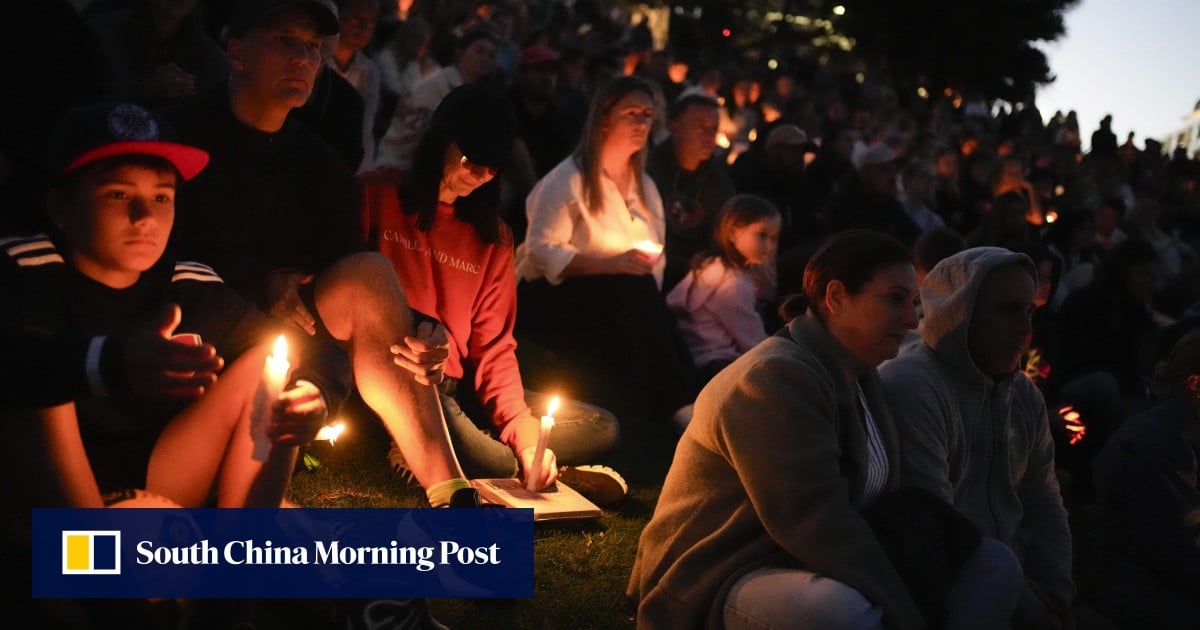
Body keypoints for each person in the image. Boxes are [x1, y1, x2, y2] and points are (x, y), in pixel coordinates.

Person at [0, 101, 351, 627]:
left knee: (272, 369)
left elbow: (315, 351)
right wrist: (111, 362)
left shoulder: (187, 283)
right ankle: (106, 591)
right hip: (39, 511)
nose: (145, 218)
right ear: (61, 207)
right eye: (118, 194)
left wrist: (317, 394)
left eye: (161, 197)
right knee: (35, 389)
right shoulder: (23, 269)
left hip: (155, 487)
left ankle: (233, 597)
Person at [163, 0, 476, 512]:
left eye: (312, 47)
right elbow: (165, 256)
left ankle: (452, 493)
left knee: (372, 272)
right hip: (197, 328)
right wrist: (262, 280)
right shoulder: (180, 137)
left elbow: (352, 271)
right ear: (237, 53)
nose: (303, 59)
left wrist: (420, 326)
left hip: (289, 337)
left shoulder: (320, 166)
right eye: (285, 41)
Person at [630, 230, 1023, 630]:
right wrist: (907, 611)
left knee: (996, 566)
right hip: (727, 568)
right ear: (836, 298)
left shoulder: (861, 377)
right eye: (895, 299)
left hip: (808, 563)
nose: (911, 319)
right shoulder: (773, 379)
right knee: (841, 614)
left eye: (915, 303)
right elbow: (816, 523)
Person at [359, 83, 624, 503]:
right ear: (439, 140)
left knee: (602, 425)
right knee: (479, 450)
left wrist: (524, 433)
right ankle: (509, 462)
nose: (480, 175)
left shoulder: (494, 239)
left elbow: (495, 349)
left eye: (492, 168)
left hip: (455, 391)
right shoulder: (376, 195)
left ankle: (529, 460)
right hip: (395, 380)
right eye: (470, 161)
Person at [879, 247, 1077, 629]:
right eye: (1007, 310)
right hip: (950, 588)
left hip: (1024, 584)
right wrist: (1034, 609)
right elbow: (942, 526)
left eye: (1029, 311)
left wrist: (1058, 589)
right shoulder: (913, 388)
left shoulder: (1023, 395)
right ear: (961, 311)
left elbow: (1045, 500)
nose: (1025, 327)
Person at [515, 75, 698, 423]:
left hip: (620, 299)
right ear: (603, 118)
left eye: (647, 114)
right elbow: (540, 251)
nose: (642, 123)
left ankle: (698, 399)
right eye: (631, 113)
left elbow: (656, 254)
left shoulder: (645, 187)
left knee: (652, 304)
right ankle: (676, 405)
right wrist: (610, 264)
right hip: (553, 299)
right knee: (637, 291)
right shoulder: (568, 179)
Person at [1090, 328, 1200, 629]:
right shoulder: (1163, 442)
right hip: (1136, 586)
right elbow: (1180, 552)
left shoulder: (1180, 431)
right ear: (1195, 384)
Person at [665, 195, 778, 388]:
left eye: (773, 238)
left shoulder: (709, 266)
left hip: (696, 361)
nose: (769, 246)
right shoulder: (733, 285)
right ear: (733, 233)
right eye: (761, 235)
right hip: (718, 367)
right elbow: (755, 344)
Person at [645, 92, 736, 294]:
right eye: (701, 127)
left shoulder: (719, 184)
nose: (710, 136)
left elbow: (725, 237)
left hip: (702, 285)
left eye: (714, 129)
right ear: (674, 127)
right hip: (651, 279)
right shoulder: (647, 173)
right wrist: (682, 264)